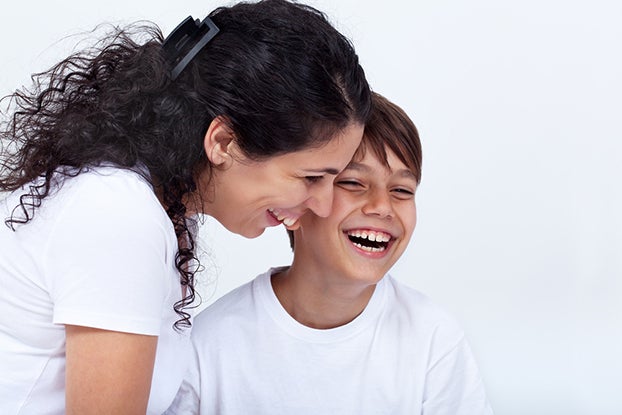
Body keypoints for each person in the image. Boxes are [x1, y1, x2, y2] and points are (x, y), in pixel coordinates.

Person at [0, 0, 371, 413]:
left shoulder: (162, 207)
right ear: (223, 142)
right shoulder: (118, 214)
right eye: (311, 178)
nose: (322, 204)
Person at [167, 92, 494, 414]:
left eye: (402, 190)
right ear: (296, 200)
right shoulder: (208, 346)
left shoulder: (433, 339)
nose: (382, 206)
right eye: (353, 183)